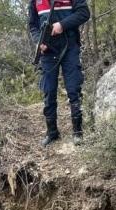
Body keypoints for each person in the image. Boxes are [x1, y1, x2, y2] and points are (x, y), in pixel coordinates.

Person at [28, 0, 90, 146]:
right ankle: (52, 133)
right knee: (48, 91)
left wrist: (62, 25)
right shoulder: (35, 1)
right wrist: (39, 41)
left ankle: (77, 131)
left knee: (74, 88)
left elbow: (84, 13)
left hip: (70, 47)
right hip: (48, 52)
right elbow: (32, 25)